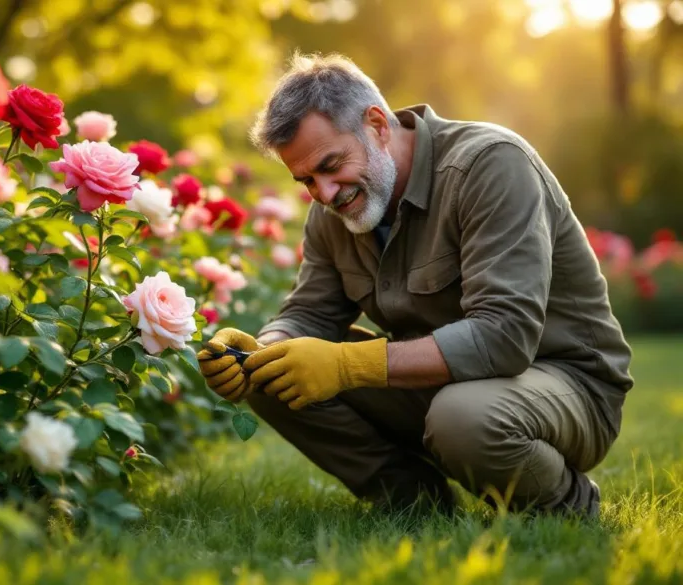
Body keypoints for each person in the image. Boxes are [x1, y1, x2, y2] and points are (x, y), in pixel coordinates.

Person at [197, 53, 633, 517]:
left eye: (331, 164)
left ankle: (566, 506)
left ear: (377, 125)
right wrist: (258, 352)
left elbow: (504, 336)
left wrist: (346, 365)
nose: (325, 194)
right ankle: (413, 503)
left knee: (462, 418)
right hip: (444, 384)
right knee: (274, 373)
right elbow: (310, 313)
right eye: (307, 180)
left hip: (563, 385)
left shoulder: (491, 165)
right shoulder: (333, 211)